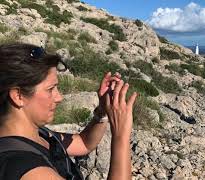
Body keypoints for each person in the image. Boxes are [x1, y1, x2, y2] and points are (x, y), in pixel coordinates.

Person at [0, 43, 138, 180]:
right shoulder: (27, 169)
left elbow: (84, 143)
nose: (59, 97)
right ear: (18, 96)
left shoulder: (38, 134)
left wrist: (102, 112)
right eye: (50, 89)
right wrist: (121, 134)